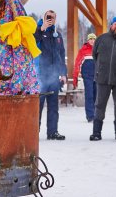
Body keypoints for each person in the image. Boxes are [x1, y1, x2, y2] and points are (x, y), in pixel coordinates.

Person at [90, 17, 116, 141]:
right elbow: (94, 55)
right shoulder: (101, 39)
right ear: (111, 25)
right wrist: (101, 68)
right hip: (102, 78)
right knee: (99, 105)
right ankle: (96, 133)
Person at [34, 10, 67, 140]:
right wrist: (42, 29)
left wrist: (63, 73)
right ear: (43, 17)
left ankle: (53, 132)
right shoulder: (38, 31)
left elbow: (61, 55)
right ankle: (33, 132)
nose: (50, 19)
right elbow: (33, 41)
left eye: (52, 17)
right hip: (40, 75)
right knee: (38, 105)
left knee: (53, 106)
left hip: (54, 76)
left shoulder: (57, 35)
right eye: (48, 17)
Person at [73, 33, 97, 123]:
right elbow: (77, 64)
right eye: (90, 39)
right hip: (87, 76)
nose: (92, 41)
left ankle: (96, 114)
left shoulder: (98, 50)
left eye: (94, 39)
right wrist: (75, 77)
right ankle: (90, 116)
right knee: (89, 95)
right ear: (88, 40)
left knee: (96, 95)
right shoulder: (83, 50)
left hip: (97, 76)